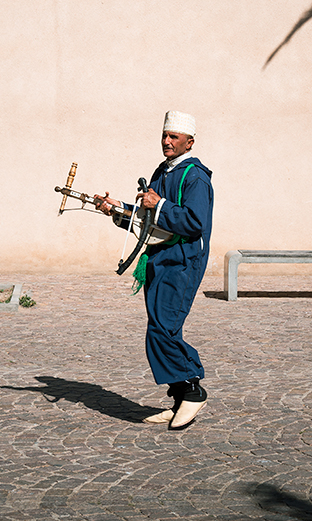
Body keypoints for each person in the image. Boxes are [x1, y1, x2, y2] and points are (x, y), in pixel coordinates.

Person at [95, 111, 214, 430]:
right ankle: (179, 399)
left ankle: (192, 391)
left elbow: (194, 223)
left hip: (182, 261)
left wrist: (158, 205)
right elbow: (151, 217)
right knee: (162, 328)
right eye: (164, 135)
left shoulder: (195, 177)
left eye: (174, 137)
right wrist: (117, 210)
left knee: (163, 328)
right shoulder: (162, 171)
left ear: (189, 142)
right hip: (158, 259)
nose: (167, 141)